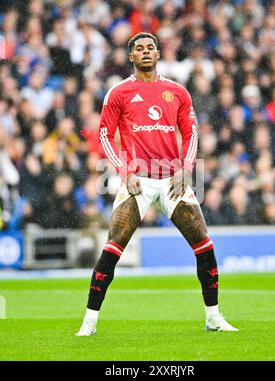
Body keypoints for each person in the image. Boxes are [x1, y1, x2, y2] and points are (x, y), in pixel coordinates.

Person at [76, 32, 238, 336]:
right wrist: (124, 170)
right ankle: (89, 323)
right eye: (139, 49)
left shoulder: (177, 92)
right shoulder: (119, 92)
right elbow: (104, 135)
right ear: (131, 57)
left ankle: (214, 318)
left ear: (158, 53)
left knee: (204, 245)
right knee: (112, 248)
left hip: (171, 180)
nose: (145, 51)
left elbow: (191, 133)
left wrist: (185, 169)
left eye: (150, 47)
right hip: (137, 181)